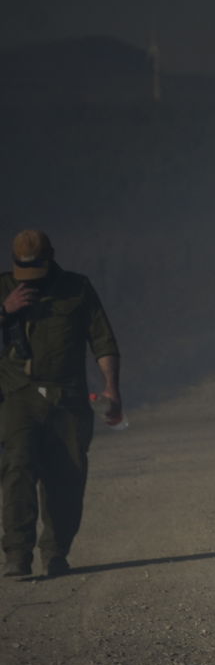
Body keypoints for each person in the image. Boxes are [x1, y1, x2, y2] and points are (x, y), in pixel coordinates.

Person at [0, 230, 121, 579]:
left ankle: (55, 552)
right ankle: (17, 555)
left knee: (67, 475)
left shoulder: (77, 288)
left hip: (67, 396)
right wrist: (5, 310)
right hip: (17, 395)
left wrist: (112, 389)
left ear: (51, 257)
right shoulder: (4, 287)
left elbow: (103, 341)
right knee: (17, 470)